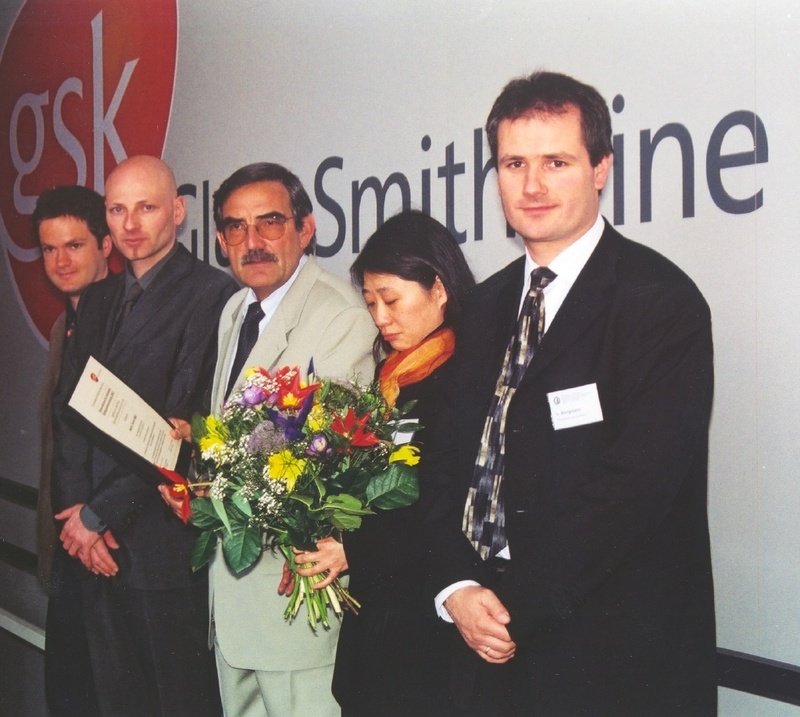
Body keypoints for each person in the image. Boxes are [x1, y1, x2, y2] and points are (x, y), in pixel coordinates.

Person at [425, 71, 717, 715]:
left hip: (608, 660)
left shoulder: (661, 303)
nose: (531, 186)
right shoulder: (480, 308)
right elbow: (442, 468)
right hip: (481, 649)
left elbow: (634, 492)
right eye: (513, 163)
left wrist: (510, 610)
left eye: (556, 162)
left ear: (601, 168)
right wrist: (457, 589)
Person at [171, 162, 375, 717]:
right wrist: (196, 477)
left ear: (305, 228)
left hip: (291, 610)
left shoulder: (341, 316)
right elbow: (235, 437)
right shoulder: (236, 309)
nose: (252, 242)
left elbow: (317, 460)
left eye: (269, 223)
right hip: (233, 604)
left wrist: (219, 479)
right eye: (236, 228)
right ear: (219, 240)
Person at [51, 155, 237, 717]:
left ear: (178, 212)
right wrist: (79, 514)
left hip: (159, 548)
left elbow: (178, 425)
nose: (130, 224)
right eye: (116, 210)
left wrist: (97, 515)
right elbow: (70, 414)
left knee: (177, 702)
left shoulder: (212, 294)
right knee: (113, 702)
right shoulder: (100, 296)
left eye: (147, 208)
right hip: (95, 551)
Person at [309, 209, 474, 717]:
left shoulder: (465, 376)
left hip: (430, 620)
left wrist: (353, 545)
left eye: (392, 300)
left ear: (439, 289)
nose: (380, 318)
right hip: (379, 620)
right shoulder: (392, 374)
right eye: (370, 303)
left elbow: (439, 501)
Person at [34, 185, 112, 717]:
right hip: (68, 552)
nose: (60, 261)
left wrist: (101, 523)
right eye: (48, 249)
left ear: (106, 246)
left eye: (75, 246)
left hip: (109, 553)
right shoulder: (65, 325)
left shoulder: (129, 323)